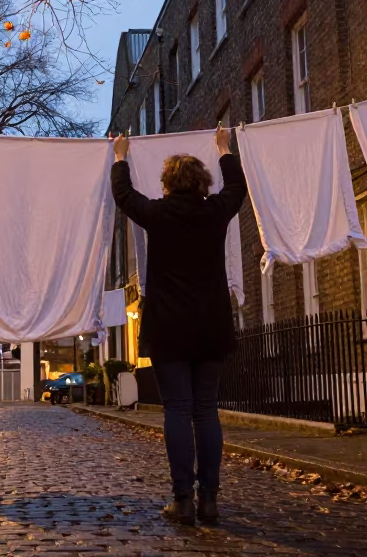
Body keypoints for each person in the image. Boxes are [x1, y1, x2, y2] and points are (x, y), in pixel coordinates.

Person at [110, 128, 246, 526]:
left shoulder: (157, 213)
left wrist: (121, 158)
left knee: (177, 410)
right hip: (210, 327)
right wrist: (224, 149)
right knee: (206, 411)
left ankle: (182, 500)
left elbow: (124, 196)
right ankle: (210, 501)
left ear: (167, 184)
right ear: (202, 184)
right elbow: (237, 186)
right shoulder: (216, 210)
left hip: (169, 328)